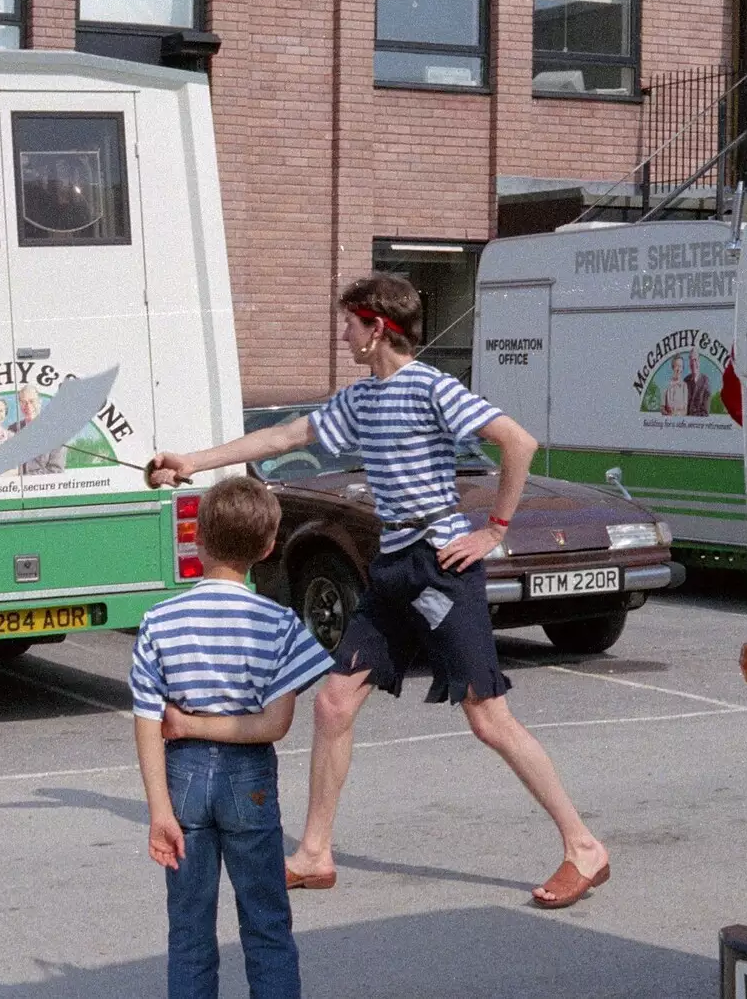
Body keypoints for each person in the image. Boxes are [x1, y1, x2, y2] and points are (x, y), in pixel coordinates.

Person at [149, 273, 610, 909]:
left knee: (488, 718)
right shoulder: (362, 399)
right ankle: (314, 852)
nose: (343, 333)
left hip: (440, 565)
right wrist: (193, 463)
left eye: (350, 324)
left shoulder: (432, 387)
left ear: (377, 331)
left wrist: (494, 530)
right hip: (392, 563)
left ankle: (584, 846)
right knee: (333, 704)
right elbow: (285, 437)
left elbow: (518, 442)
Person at [131, 476, 334, 999]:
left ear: (197, 539)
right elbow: (276, 725)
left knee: (190, 930)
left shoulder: (158, 622)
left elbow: (149, 722)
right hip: (250, 780)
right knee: (266, 924)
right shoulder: (280, 624)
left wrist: (159, 812)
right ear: (269, 547)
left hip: (181, 780)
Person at [11, 384, 67, 474]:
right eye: (23, 402)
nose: (28, 406)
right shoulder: (12, 430)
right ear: (19, 404)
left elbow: (56, 470)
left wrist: (24, 477)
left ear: (40, 402)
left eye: (32, 401)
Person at [685, 350, 712, 417]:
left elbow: (705, 412)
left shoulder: (705, 381)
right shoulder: (685, 381)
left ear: (699, 362)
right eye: (691, 360)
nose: (693, 363)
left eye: (695, 360)